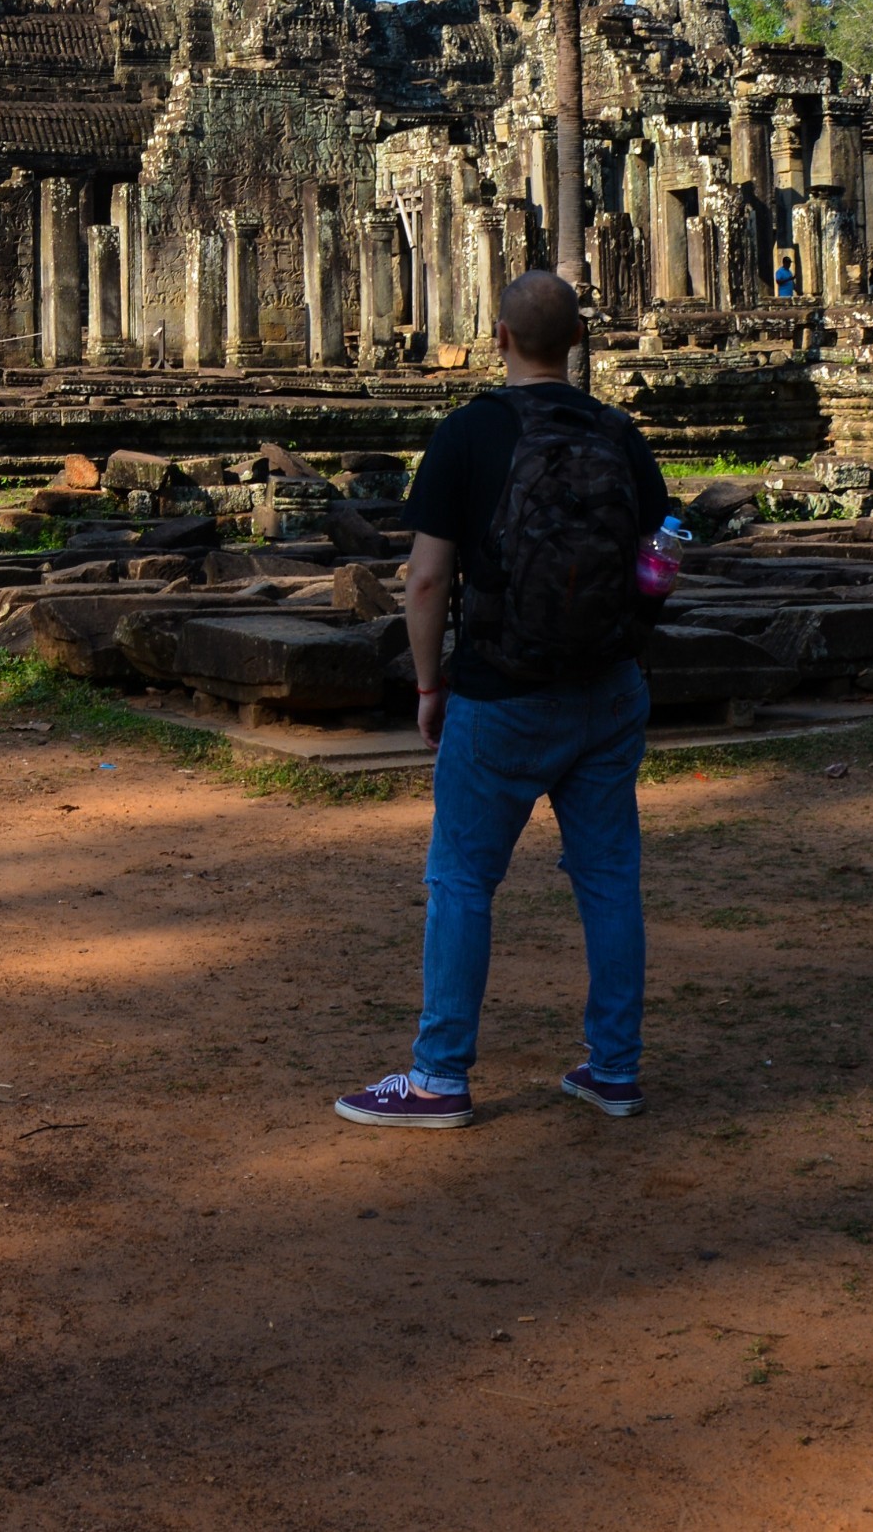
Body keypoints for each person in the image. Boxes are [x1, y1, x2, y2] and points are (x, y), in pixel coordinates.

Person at [334, 270, 669, 1132]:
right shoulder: (618, 433)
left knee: (460, 882)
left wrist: (428, 684)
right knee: (608, 879)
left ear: (499, 338)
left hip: (498, 692)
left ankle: (439, 1074)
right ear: (578, 342)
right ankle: (615, 1067)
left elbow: (424, 579)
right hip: (607, 688)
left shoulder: (468, 434)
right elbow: (656, 556)